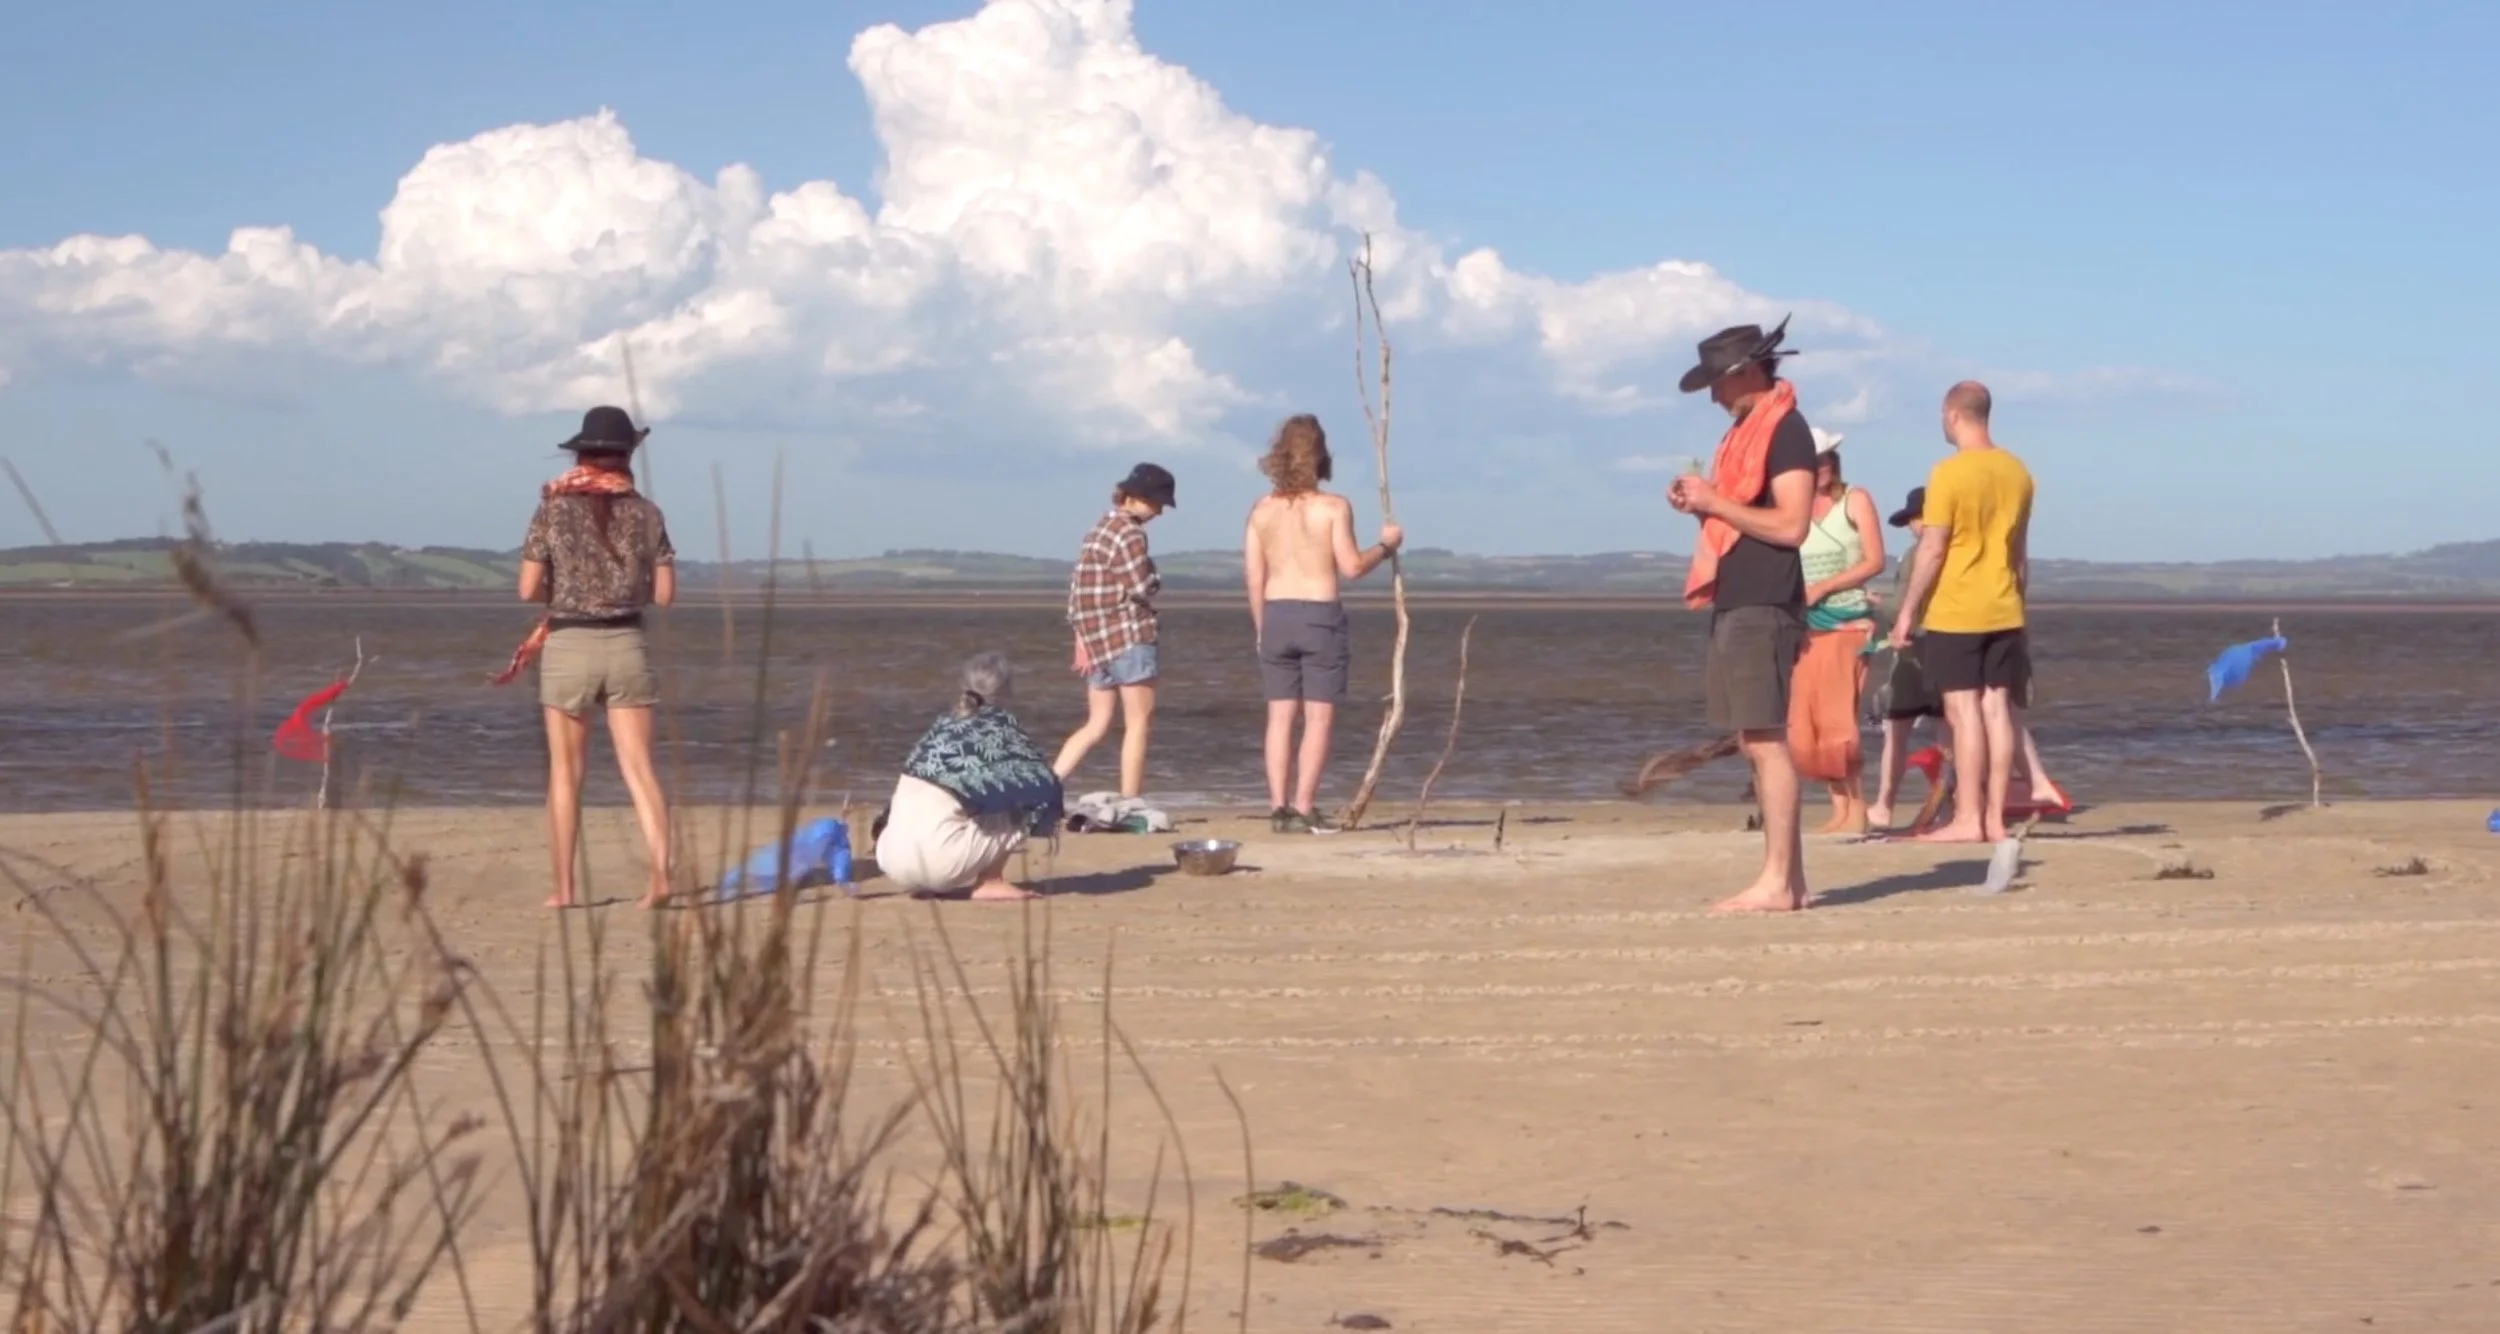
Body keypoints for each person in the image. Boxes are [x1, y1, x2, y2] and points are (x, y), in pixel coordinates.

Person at [497, 405, 676, 910]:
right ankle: (660, 876)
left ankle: (565, 889)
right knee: (641, 770)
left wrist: (569, 585)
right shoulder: (648, 512)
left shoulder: (552, 507)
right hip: (626, 646)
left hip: (570, 645)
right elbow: (664, 596)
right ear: (625, 457)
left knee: (565, 774)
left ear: (581, 453)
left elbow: (528, 588)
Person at [1669, 317, 1819, 913]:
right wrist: (1703, 503)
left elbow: (1791, 525)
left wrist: (1715, 501)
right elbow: (1749, 514)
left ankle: (1778, 881)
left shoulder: (1787, 431)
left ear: (1747, 373)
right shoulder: (1749, 434)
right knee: (1755, 737)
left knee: (1764, 740)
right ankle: (1793, 882)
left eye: (1717, 382)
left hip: (1765, 601)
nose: (1711, 394)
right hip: (1741, 598)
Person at [1887, 381, 2036, 844]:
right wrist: (2019, 603)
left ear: (1953, 414)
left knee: (1963, 711)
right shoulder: (2018, 471)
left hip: (1958, 607)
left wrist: (1906, 612)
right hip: (2005, 604)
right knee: (1997, 708)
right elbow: (2020, 552)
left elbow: (1932, 549)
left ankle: (1969, 816)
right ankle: (1994, 818)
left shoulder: (1948, 473)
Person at [1242, 414, 1404, 833]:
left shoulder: (1260, 510)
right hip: (1318, 616)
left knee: (1279, 718)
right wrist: (1385, 547)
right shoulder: (1333, 507)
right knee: (1317, 719)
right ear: (1319, 455)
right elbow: (1352, 566)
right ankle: (1302, 805)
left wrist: (1261, 626)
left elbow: (1254, 577)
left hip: (1275, 614)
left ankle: (1279, 807)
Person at [877, 653, 1064, 902]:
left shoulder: (940, 726)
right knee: (1027, 800)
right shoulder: (1001, 728)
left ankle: (926, 881)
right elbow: (1043, 786)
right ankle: (991, 881)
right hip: (940, 863)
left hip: (891, 858)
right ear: (1007, 692)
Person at [1054, 464, 1176, 798]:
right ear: (1135, 498)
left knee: (1095, 725)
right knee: (1138, 725)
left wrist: (1081, 637)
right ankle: (1131, 801)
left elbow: (1078, 592)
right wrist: (1155, 576)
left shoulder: (1097, 531)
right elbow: (1140, 586)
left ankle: (1044, 790)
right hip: (1130, 637)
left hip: (1097, 643)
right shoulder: (1130, 533)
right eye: (1157, 504)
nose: (1159, 512)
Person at [1791, 429, 1887, 835]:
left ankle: (1858, 808)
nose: (1824, 465)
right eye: (1815, 460)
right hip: (1804, 625)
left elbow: (1875, 559)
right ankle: (1838, 805)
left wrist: (1825, 587)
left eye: (1828, 457)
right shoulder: (1792, 509)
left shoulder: (1855, 500)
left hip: (1846, 621)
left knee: (1838, 720)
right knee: (1804, 722)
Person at [1867, 486, 1944, 829]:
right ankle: (1951, 806)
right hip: (1947, 647)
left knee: (1896, 731)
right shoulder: (1957, 552)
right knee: (1950, 732)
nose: (1912, 527)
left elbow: (1901, 606)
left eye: (1913, 519)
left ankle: (1884, 805)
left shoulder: (1918, 554)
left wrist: (1876, 603)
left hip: (1914, 651)